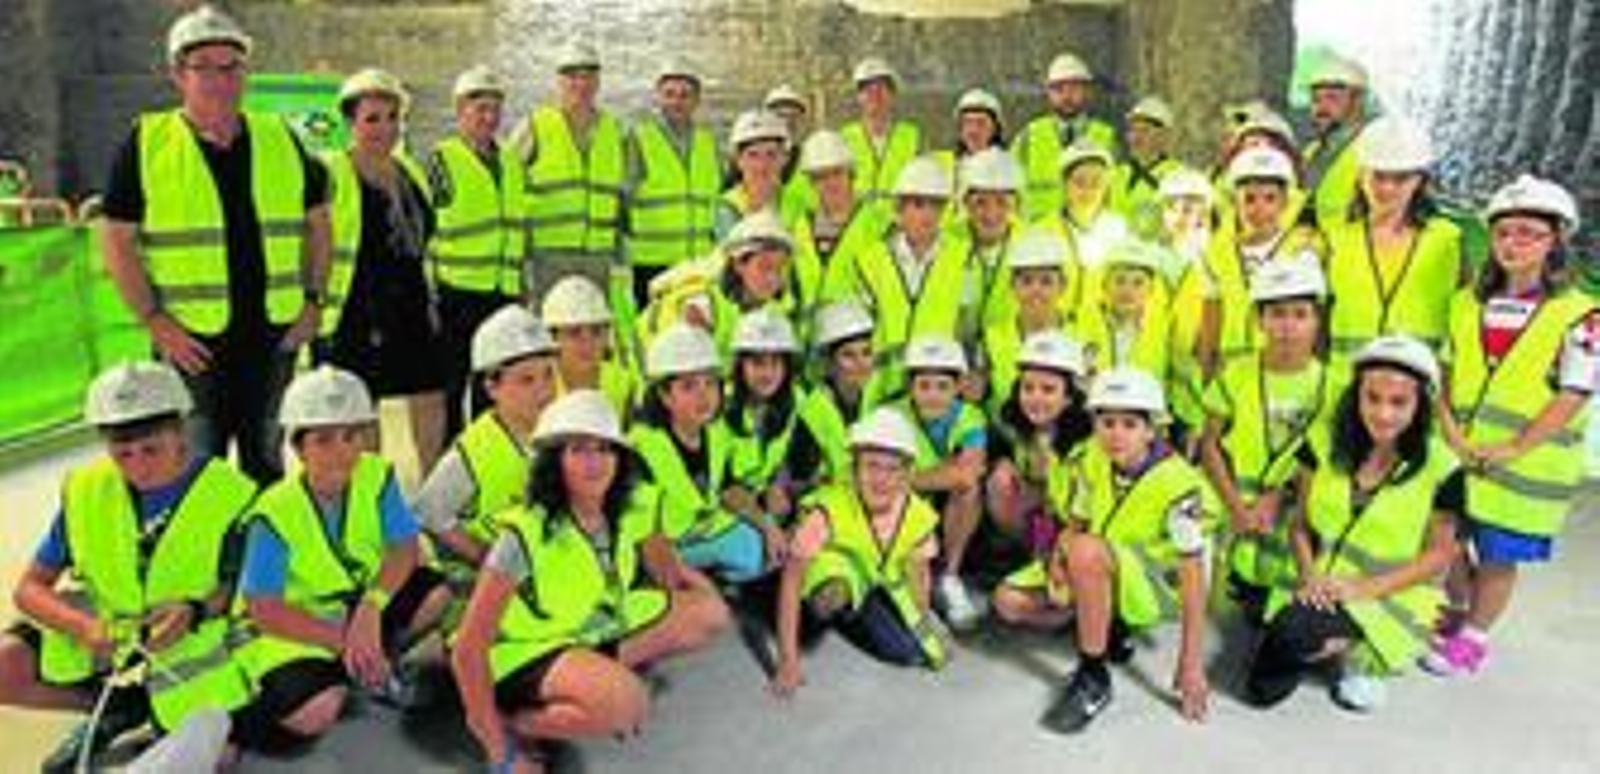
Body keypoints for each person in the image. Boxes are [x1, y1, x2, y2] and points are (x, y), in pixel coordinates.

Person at [101, 4, 332, 484]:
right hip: (191, 343)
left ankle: (262, 536)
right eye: (203, 67)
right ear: (178, 75)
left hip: (273, 337)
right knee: (196, 469)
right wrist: (154, 320)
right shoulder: (147, 143)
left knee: (266, 461)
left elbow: (319, 224)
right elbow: (117, 240)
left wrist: (313, 302)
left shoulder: (279, 137)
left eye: (231, 67)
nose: (219, 80)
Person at [451, 390, 729, 773]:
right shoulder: (523, 533)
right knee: (629, 704)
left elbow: (671, 573)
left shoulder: (630, 507)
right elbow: (468, 649)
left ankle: (594, 685)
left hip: (589, 629)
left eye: (605, 449)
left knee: (710, 615)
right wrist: (499, 750)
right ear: (555, 461)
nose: (596, 462)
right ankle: (512, 722)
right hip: (523, 649)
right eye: (579, 450)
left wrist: (700, 591)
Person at [0, 362, 257, 772]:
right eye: (122, 454)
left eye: (151, 450)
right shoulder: (87, 489)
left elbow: (244, 591)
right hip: (111, 625)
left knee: (218, 755)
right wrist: (83, 626)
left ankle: (155, 708)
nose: (138, 466)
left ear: (182, 430)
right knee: (4, 667)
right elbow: (29, 589)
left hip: (193, 634)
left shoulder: (232, 494)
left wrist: (193, 611)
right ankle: (116, 708)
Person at [1428, 175, 1598, 677]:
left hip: (1525, 467)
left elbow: (1574, 393)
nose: (1513, 243)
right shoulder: (1465, 303)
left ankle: (1474, 638)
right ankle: (1461, 608)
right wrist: (1451, 432)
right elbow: (1446, 373)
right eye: (1504, 232)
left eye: (1529, 233)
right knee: (1443, 539)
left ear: (1555, 240)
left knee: (1498, 556)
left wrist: (1514, 447)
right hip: (1459, 453)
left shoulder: (1581, 315)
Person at [232, 367, 451, 747]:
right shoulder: (272, 512)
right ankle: (358, 667)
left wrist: (371, 606)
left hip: (358, 605)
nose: (342, 451)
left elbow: (404, 548)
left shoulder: (376, 475)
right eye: (324, 440)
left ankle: (369, 663)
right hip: (299, 625)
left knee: (437, 594)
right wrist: (345, 640)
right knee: (315, 713)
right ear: (298, 448)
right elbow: (265, 610)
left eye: (352, 436)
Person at [1244, 336, 1461, 712]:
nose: (1383, 414)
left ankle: (1362, 653)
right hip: (1320, 581)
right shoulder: (1321, 445)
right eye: (1372, 398)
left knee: (1293, 635)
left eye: (1399, 402)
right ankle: (1323, 637)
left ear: (1421, 404)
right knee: (1261, 689)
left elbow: (1440, 554)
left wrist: (1363, 589)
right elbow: (1299, 525)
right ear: (1356, 395)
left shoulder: (1443, 467)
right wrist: (1310, 575)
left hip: (1388, 593)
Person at [1039, 367, 1215, 733]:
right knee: (1011, 603)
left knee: (1085, 552)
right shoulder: (1094, 457)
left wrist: (1191, 661)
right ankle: (1107, 627)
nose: (1115, 434)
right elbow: (1078, 522)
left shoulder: (1179, 483)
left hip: (1156, 588)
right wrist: (1058, 560)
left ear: (1152, 430)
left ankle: (1093, 675)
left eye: (1130, 424)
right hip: (1105, 565)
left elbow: (1193, 574)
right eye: (1107, 422)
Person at [318, 68, 447, 475]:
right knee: (362, 411)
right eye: (372, 118)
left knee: (430, 397)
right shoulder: (330, 171)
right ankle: (372, 494)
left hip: (410, 305)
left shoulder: (410, 171)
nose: (385, 128)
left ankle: (430, 492)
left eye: (393, 117)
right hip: (354, 310)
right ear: (350, 122)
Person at [771, 408, 951, 697]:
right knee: (829, 599)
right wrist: (788, 660)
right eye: (871, 466)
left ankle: (872, 606)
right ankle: (841, 611)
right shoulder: (827, 511)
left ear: (907, 475)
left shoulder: (917, 514)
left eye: (892, 469)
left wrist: (923, 619)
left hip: (883, 574)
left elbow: (918, 573)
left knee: (908, 652)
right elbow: (791, 582)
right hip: (840, 569)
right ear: (854, 468)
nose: (881, 478)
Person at [1200, 255, 1336, 622]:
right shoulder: (1236, 374)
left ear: (1317, 320)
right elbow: (1209, 444)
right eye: (1277, 314)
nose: (1288, 326)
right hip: (1235, 503)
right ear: (1259, 319)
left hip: (1295, 508)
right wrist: (1235, 506)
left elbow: (1328, 463)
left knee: (1277, 614)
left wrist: (1280, 496)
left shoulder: (1335, 385)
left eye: (1300, 314)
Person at [415, 305, 558, 600]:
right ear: (492, 387)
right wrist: (486, 559)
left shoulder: (559, 431)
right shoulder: (474, 450)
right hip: (484, 592)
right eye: (527, 380)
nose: (544, 390)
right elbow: (427, 512)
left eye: (548, 375)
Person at [632, 325, 781, 584]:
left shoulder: (716, 433)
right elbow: (643, 535)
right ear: (664, 396)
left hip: (703, 538)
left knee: (759, 548)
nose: (704, 396)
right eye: (688, 386)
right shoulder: (641, 447)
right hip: (663, 553)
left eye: (710, 383)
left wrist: (767, 526)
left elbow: (728, 489)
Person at [426, 64, 529, 440]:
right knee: (454, 386)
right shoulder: (442, 161)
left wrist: (521, 285)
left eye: (495, 109)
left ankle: (491, 453)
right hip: (458, 294)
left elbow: (517, 229)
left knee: (497, 387)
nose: (489, 117)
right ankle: (453, 456)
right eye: (480, 108)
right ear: (460, 110)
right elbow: (425, 227)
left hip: (503, 294)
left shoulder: (512, 162)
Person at [1323, 116, 1465, 368]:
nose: (1387, 188)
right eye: (1378, 176)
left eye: (1400, 179)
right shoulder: (1334, 240)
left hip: (1419, 381)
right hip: (1346, 381)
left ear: (1419, 180)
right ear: (1360, 176)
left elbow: (1466, 318)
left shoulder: (1449, 240)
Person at [822, 156, 968, 396]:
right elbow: (857, 333)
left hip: (938, 388)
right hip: (881, 388)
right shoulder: (870, 261)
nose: (928, 215)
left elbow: (967, 327)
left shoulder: (962, 257)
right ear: (899, 209)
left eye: (936, 205)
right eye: (918, 205)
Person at [986, 332, 1094, 630]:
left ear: (1069, 397)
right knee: (1006, 604)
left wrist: (1059, 558)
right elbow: (1043, 505)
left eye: (1048, 390)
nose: (1036, 397)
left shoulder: (1090, 444)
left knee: (1013, 602)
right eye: (1028, 388)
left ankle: (1095, 607)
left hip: (1081, 541)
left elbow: (1084, 517)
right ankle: (1077, 608)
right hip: (1047, 532)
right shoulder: (1016, 427)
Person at [892, 336, 988, 632]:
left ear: (959, 387)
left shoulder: (970, 417)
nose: (932, 395)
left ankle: (949, 577)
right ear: (910, 387)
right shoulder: (892, 415)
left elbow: (967, 474)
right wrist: (945, 472)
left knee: (969, 489)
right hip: (903, 503)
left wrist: (910, 480)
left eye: (942, 386)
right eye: (924, 386)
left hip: (932, 497)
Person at [515, 40, 624, 298]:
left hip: (598, 256)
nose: (581, 84)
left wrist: (619, 252)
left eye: (588, 77)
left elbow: (622, 196)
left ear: (598, 82)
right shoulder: (535, 126)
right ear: (560, 81)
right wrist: (517, 258)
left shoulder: (614, 130)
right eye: (573, 77)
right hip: (549, 257)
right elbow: (508, 189)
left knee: (595, 319)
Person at [1201, 146, 1322, 372]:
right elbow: (1211, 316)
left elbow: (1311, 317)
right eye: (1249, 199)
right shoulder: (1217, 252)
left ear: (1285, 202)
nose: (1259, 209)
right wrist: (1206, 367)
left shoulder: (1303, 249)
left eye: (1270, 199)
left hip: (1281, 363)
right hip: (1230, 367)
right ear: (1235, 202)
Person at [624, 60, 721, 306]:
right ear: (659, 97)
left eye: (685, 95)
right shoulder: (639, 139)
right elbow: (622, 200)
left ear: (697, 100)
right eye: (670, 94)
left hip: (699, 264)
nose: (677, 101)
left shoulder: (708, 143)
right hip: (653, 264)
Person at [786, 130, 882, 324]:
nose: (830, 183)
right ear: (811, 182)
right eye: (821, 176)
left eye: (837, 173)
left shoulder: (877, 225)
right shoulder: (800, 227)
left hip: (859, 335)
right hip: (810, 336)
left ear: (851, 174)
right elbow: (790, 287)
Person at [983, 228, 1080, 415]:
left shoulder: (1082, 336)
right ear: (1013, 286)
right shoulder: (991, 338)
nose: (1036, 290)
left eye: (1046, 282)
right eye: (1027, 281)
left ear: (1063, 286)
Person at [726, 310, 808, 527]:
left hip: (763, 504)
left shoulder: (796, 399)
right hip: (727, 509)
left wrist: (779, 484)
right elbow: (720, 485)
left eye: (776, 363)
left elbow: (787, 457)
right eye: (758, 363)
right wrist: (765, 525)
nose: (767, 373)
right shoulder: (720, 406)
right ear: (740, 366)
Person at [1013, 52, 1118, 222]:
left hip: (1089, 233)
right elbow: (1009, 192)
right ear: (1048, 93)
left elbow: (1116, 195)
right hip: (1040, 234)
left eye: (1074, 88)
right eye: (1059, 89)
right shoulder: (1028, 137)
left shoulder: (1106, 137)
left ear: (1087, 91)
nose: (1067, 96)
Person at [792, 300, 887, 487]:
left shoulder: (878, 395)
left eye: (866, 353)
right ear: (828, 362)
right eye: (848, 355)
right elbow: (802, 480)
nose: (861, 364)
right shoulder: (811, 411)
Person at [541, 275, 639, 418]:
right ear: (553, 338)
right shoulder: (538, 387)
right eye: (574, 332)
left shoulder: (623, 384)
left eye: (596, 331)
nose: (588, 343)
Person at [841, 57, 923, 218]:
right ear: (858, 97)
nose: (875, 96)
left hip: (900, 223)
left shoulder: (912, 136)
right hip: (856, 224)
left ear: (892, 95)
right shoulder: (844, 138)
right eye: (868, 91)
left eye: (881, 89)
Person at [1301, 53, 1371, 228]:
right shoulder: (1310, 152)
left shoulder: (1374, 150)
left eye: (1332, 98)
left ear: (1358, 101)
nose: (1321, 108)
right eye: (1316, 99)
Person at [1040, 140, 1129, 272]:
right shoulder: (1044, 230)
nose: (1087, 191)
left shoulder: (1119, 229)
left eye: (1096, 182)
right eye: (1079, 182)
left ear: (1107, 186)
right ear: (1065, 184)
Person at [716, 110, 794, 238]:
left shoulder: (797, 205)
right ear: (738, 160)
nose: (762, 165)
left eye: (771, 154)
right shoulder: (727, 208)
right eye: (753, 155)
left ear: (784, 158)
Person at [1109, 97, 1182, 232]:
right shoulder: (1117, 174)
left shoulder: (1178, 177)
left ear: (1163, 136)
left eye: (1144, 131)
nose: (1136, 138)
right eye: (1132, 130)